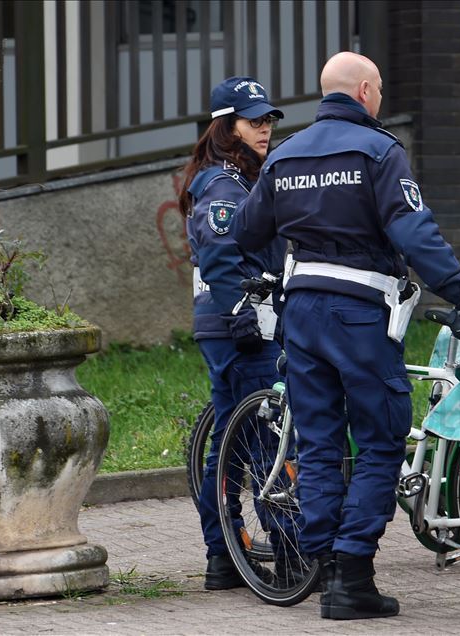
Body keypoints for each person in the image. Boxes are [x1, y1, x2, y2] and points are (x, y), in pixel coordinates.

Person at [231, 52, 460, 620]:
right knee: (381, 440)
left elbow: (245, 230)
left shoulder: (285, 154)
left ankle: (324, 567)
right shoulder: (378, 151)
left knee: (318, 443)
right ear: (364, 91)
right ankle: (353, 572)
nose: (379, 97)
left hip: (301, 315)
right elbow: (414, 232)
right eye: (378, 88)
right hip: (359, 316)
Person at [178, 76, 291, 590]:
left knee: (230, 442)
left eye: (268, 120)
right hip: (239, 328)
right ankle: (290, 554)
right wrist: (243, 311)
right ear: (228, 128)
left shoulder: (241, 178)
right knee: (266, 438)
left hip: (232, 324)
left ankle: (223, 557)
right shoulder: (224, 184)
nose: (264, 129)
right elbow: (220, 256)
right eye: (253, 121)